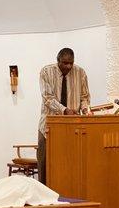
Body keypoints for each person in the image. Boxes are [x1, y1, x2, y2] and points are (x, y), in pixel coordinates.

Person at [37, 48, 90, 184]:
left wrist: (85, 109)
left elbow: (84, 97)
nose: (69, 66)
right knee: (45, 164)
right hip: (48, 127)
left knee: (70, 163)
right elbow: (47, 98)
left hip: (73, 127)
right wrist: (65, 110)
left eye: (71, 63)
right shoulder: (46, 72)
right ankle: (44, 198)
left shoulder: (80, 72)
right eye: (65, 63)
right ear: (58, 61)